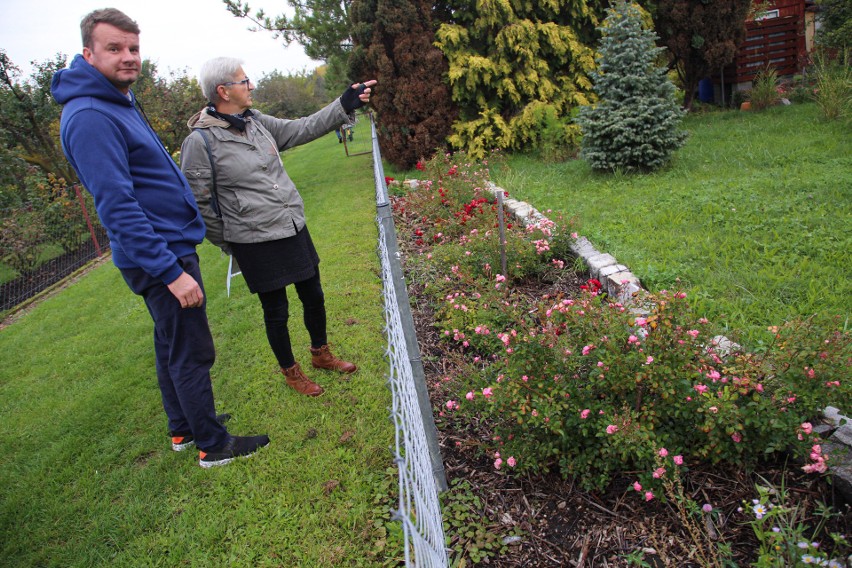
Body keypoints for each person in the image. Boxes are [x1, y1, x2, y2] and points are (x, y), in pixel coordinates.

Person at [50, 8, 269, 468]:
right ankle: (214, 444)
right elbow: (116, 205)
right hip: (160, 253)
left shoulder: (114, 101)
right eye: (114, 49)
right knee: (191, 349)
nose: (128, 57)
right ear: (88, 53)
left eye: (133, 48)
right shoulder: (90, 115)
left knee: (171, 341)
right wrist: (171, 272)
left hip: (165, 246)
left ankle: (184, 428)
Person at [180, 58, 375, 397]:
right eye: (245, 81)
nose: (251, 86)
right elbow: (199, 203)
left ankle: (320, 355)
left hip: (291, 224)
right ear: (223, 91)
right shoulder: (201, 142)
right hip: (253, 239)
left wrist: (343, 104)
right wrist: (230, 242)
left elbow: (302, 128)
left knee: (313, 295)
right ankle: (291, 372)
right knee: (276, 310)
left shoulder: (255, 122)